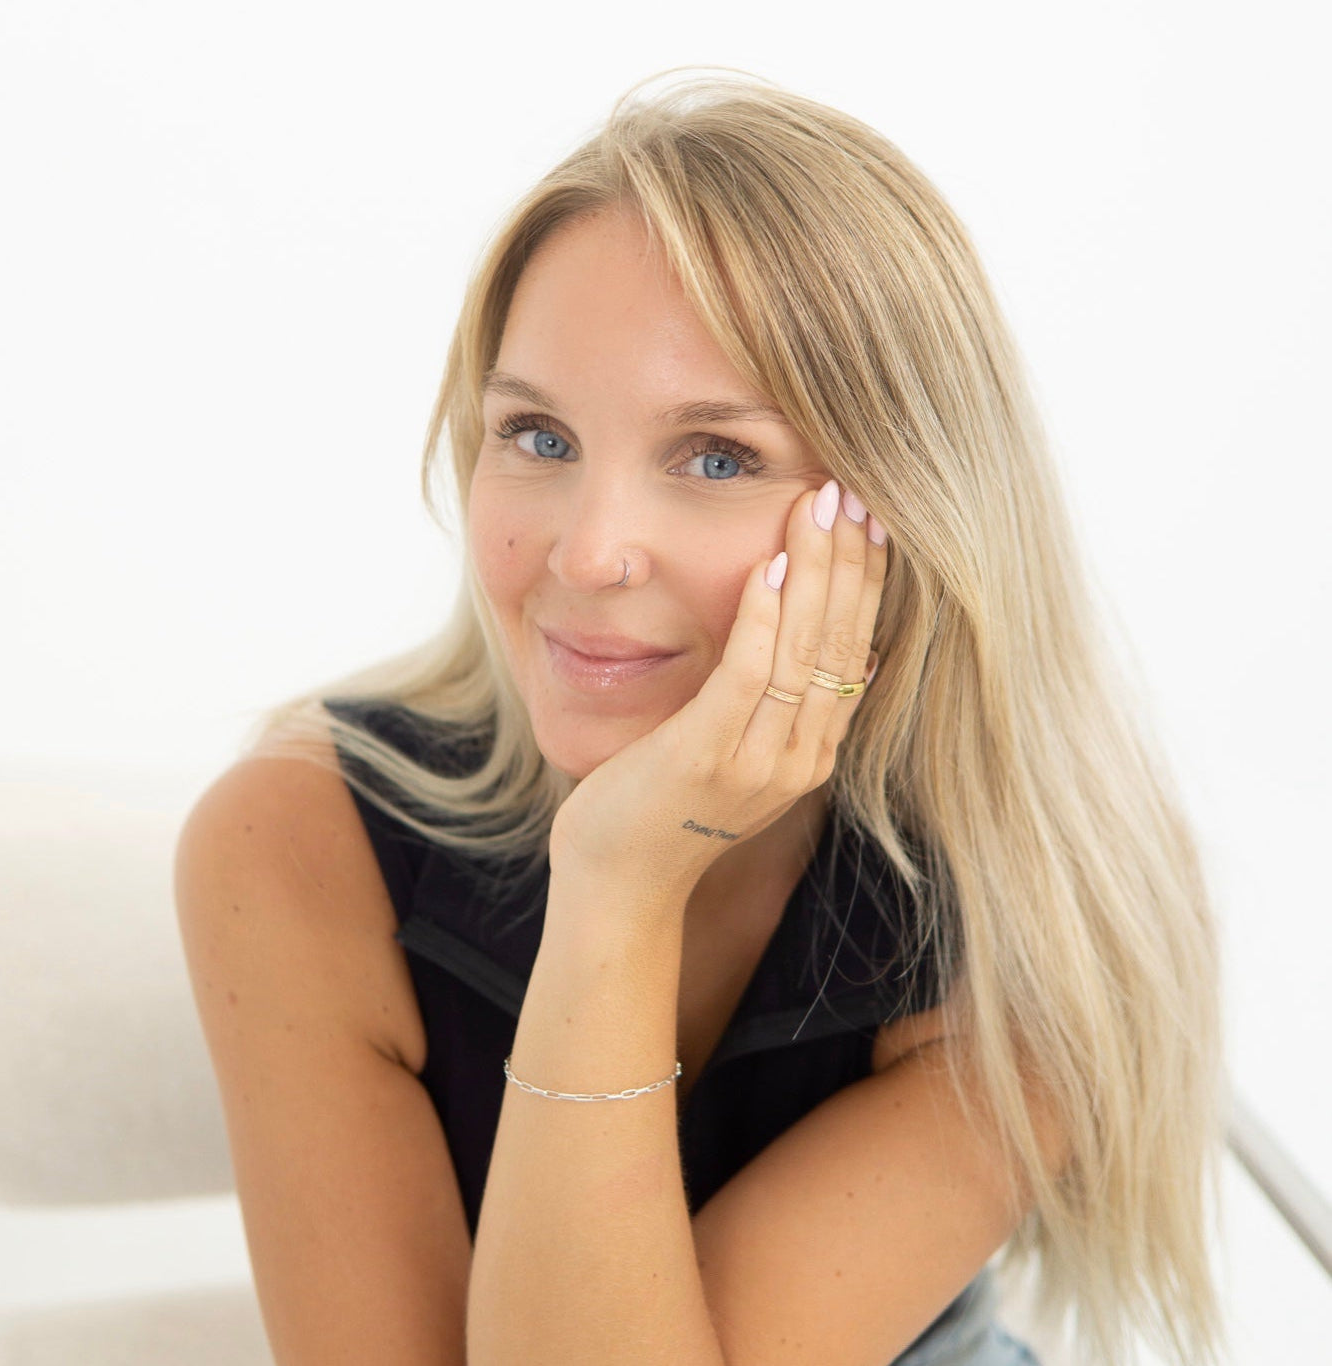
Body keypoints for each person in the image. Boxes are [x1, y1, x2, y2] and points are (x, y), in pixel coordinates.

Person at [174, 70, 1224, 1366]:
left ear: (903, 506)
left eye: (716, 456)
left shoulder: (1047, 898)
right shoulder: (296, 839)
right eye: (538, 435)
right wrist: (618, 883)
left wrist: (616, 886)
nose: (591, 551)